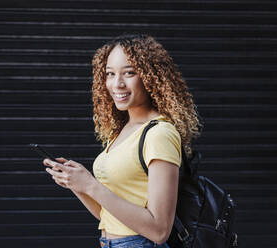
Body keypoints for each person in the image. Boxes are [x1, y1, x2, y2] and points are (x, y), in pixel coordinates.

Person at [43, 34, 203, 248]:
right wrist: (77, 184)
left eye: (129, 73)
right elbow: (108, 215)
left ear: (150, 76)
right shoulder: (119, 133)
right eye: (110, 74)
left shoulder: (160, 134)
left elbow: (159, 230)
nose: (117, 84)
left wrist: (91, 185)